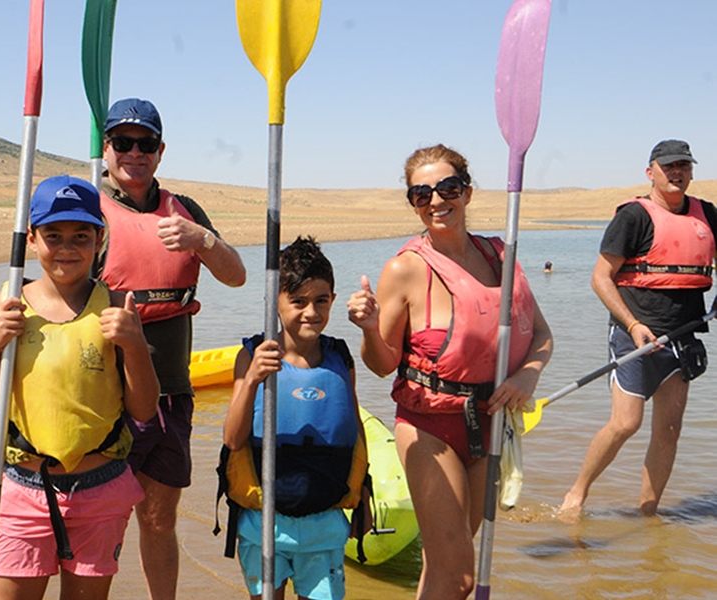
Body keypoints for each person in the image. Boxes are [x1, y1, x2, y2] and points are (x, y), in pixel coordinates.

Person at [346, 144, 553, 599]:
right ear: (414, 203)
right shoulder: (405, 269)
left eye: (448, 188)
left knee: (444, 566)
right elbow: (382, 365)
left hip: (489, 424)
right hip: (428, 428)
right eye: (422, 194)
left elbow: (541, 334)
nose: (437, 200)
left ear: (468, 192)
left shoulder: (502, 255)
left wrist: (527, 376)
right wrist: (366, 327)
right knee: (460, 575)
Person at [0, 175, 160, 600]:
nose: (67, 248)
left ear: (99, 239)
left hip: (101, 489)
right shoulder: (8, 305)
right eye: (54, 235)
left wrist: (136, 345)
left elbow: (143, 410)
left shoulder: (117, 307)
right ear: (32, 238)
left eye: (80, 236)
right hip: (23, 491)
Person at [95, 97, 247, 599]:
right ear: (106, 147)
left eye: (145, 144)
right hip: (104, 396)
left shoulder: (186, 212)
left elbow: (236, 276)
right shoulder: (86, 209)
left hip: (172, 394)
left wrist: (202, 239)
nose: (134, 153)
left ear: (160, 152)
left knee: (159, 517)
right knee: (102, 520)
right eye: (122, 142)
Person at [562, 140, 716, 517]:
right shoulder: (633, 217)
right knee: (626, 423)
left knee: (669, 430)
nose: (677, 172)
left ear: (692, 171)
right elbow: (601, 278)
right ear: (651, 172)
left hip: (683, 337)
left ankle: (649, 513)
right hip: (635, 336)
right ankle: (576, 495)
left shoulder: (708, 215)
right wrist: (632, 325)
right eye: (668, 166)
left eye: (684, 165)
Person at [222, 236, 371, 600]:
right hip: (263, 525)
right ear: (274, 301)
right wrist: (254, 378)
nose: (311, 312)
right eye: (298, 301)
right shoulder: (253, 355)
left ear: (333, 300)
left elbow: (354, 434)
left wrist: (364, 500)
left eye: (321, 301)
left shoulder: (340, 357)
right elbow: (232, 439)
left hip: (325, 526)